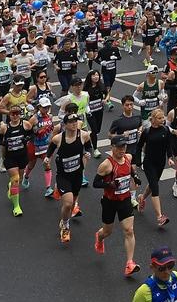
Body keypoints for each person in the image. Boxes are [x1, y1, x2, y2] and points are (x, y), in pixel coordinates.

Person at [93, 134, 142, 279]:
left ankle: (129, 263)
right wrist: (109, 184)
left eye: (124, 147)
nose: (122, 150)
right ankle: (99, 237)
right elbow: (96, 183)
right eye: (119, 147)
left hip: (125, 200)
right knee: (107, 231)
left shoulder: (128, 158)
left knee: (129, 230)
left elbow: (130, 170)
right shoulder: (106, 165)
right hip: (110, 202)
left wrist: (135, 177)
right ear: (112, 147)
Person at [49, 109, 91, 242]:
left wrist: (87, 154)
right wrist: (47, 160)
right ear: (65, 124)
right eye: (71, 122)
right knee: (67, 204)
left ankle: (65, 219)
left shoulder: (84, 135)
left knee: (72, 203)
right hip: (63, 176)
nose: (74, 124)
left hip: (77, 174)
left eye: (75, 121)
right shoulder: (58, 138)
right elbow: (50, 151)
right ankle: (65, 226)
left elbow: (88, 147)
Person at [0, 103, 34, 216]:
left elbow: (32, 135)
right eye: (13, 114)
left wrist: (26, 139)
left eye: (17, 114)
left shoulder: (26, 124)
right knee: (16, 179)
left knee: (18, 177)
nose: (15, 116)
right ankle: (17, 206)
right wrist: (5, 142)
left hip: (22, 156)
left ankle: (11, 186)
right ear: (9, 115)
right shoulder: (4, 127)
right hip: (10, 157)